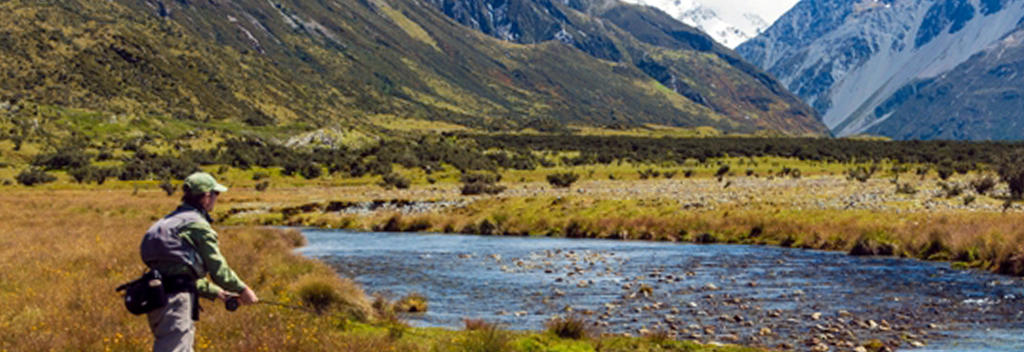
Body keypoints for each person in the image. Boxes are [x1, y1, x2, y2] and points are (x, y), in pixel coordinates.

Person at [139, 172, 258, 352]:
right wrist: (243, 290)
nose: (217, 199)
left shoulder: (168, 222)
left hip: (155, 298)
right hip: (176, 301)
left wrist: (219, 293)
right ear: (206, 196)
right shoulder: (197, 225)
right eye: (216, 194)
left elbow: (177, 272)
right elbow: (218, 269)